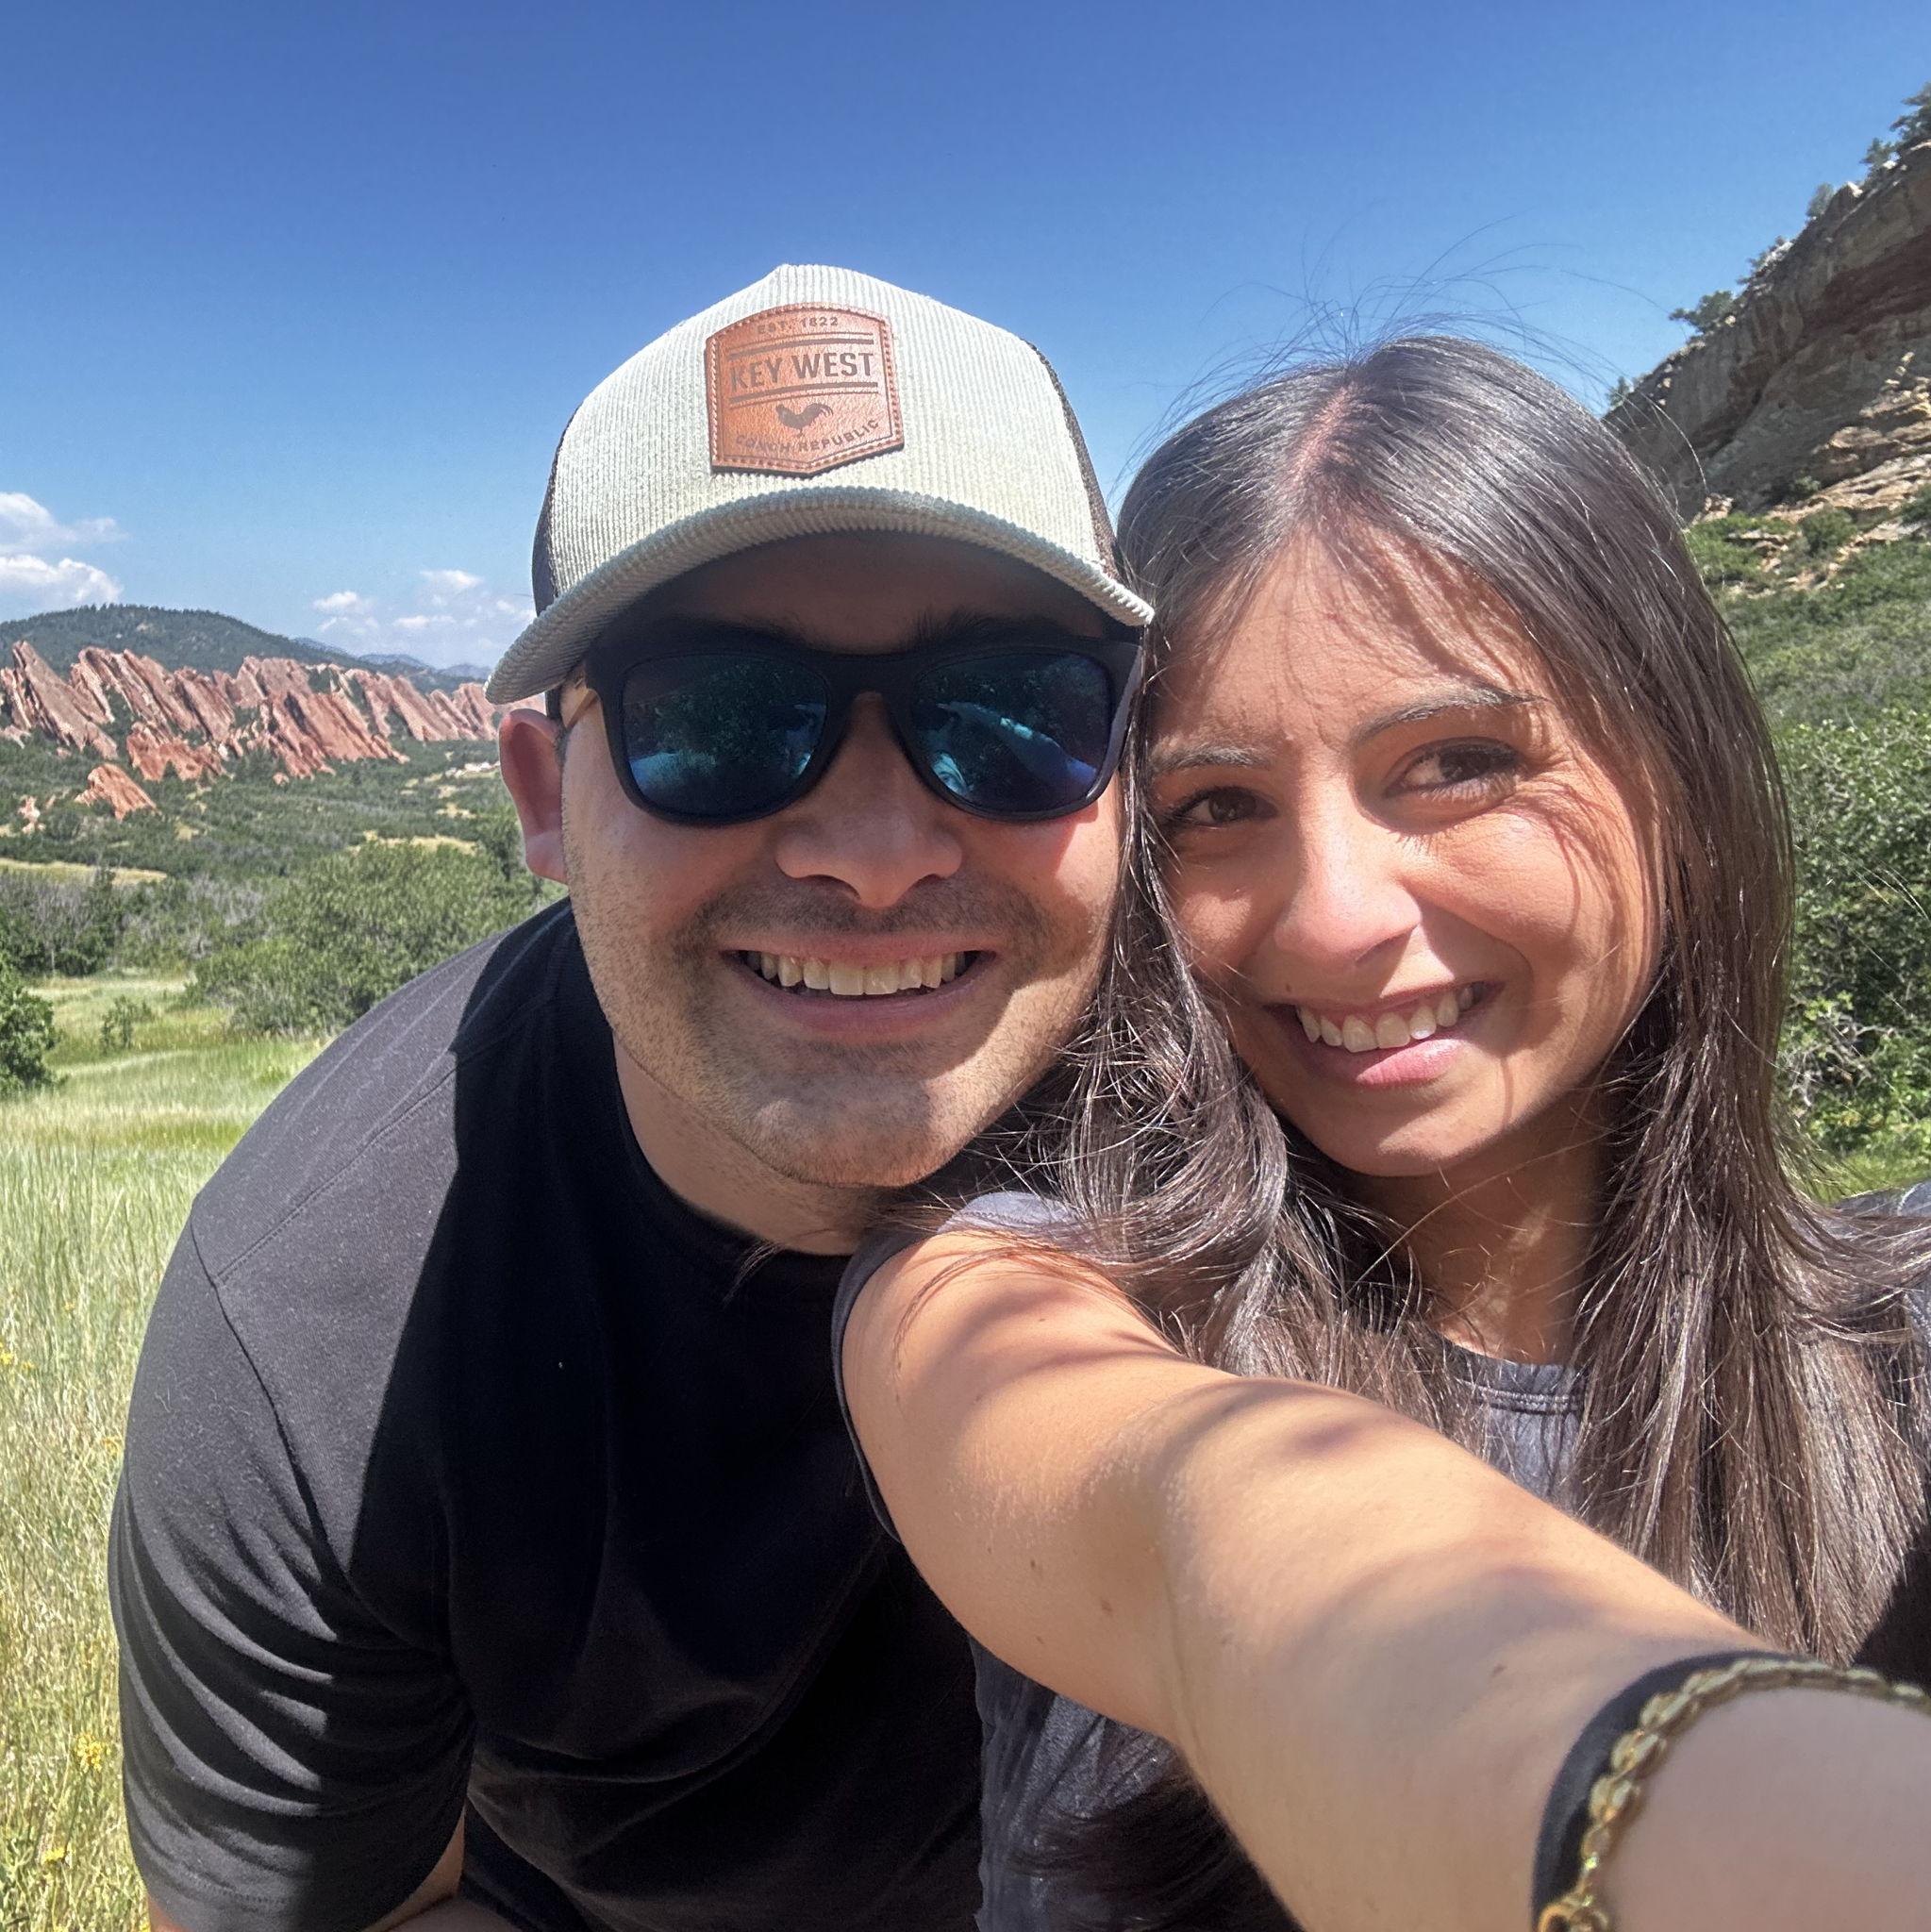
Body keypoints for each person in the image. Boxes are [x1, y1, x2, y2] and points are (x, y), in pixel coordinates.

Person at [109, 262, 1155, 1932]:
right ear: (544, 793)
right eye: (724, 718)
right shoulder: (318, 1333)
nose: (876, 852)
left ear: (1124, 762)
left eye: (1010, 711)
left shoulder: (1274, 1090)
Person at [836, 339, 1931, 1930]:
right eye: (1214, 806)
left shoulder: (1900, 1330)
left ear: (1677, 775)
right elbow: (1197, 1526)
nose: (1340, 920)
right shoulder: (1007, 1306)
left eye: (1456, 765)